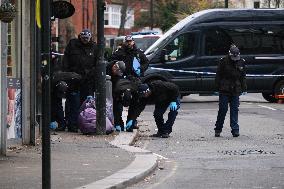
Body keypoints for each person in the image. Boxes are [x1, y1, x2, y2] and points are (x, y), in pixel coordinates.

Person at [62, 29, 98, 132]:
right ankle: (72, 125)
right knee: (73, 103)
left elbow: (97, 64)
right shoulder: (73, 45)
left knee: (86, 104)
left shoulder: (94, 47)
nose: (85, 41)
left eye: (87, 39)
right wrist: (68, 75)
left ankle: (84, 124)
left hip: (88, 81)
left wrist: (91, 75)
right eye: (83, 39)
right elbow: (66, 61)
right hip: (74, 80)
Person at [214, 44, 247, 137]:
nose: (235, 58)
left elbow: (243, 76)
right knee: (223, 110)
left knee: (234, 110)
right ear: (230, 54)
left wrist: (244, 88)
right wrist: (217, 87)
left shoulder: (241, 61)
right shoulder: (223, 61)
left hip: (236, 89)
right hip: (224, 89)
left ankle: (235, 129)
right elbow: (218, 75)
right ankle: (218, 128)